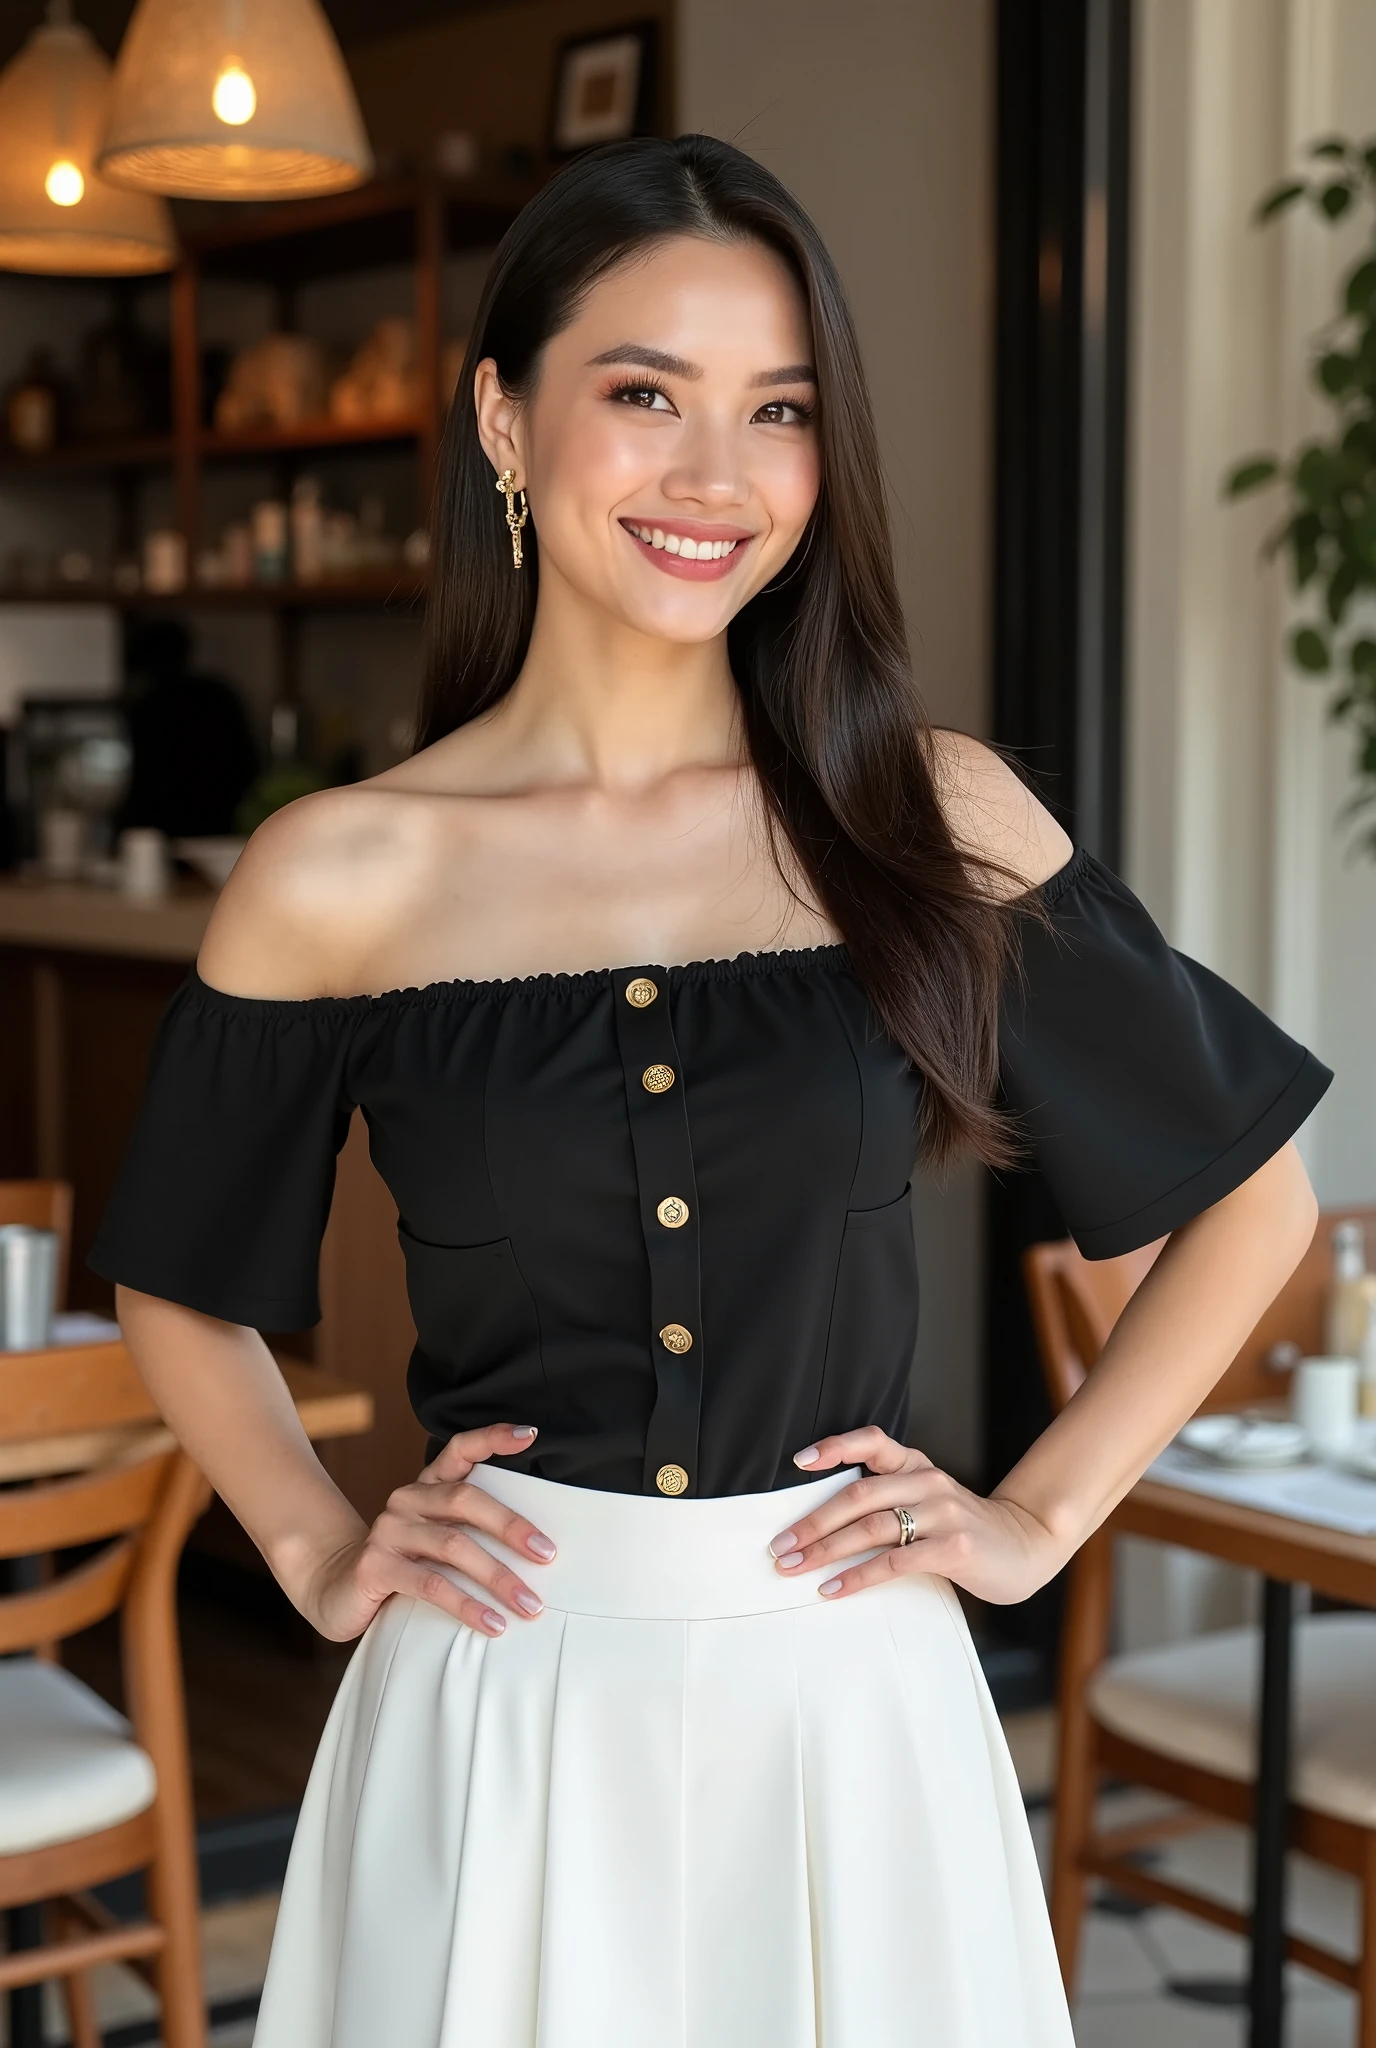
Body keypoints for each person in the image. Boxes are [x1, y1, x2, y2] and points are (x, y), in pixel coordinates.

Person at [90, 135, 1329, 2048]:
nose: (716, 478)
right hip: (496, 1697)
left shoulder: (928, 813)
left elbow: (1251, 1197)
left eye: (780, 411)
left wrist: (1036, 1519)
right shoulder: (341, 870)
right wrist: (316, 1546)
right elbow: (178, 1274)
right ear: (503, 418)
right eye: (643, 393)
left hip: (851, 1702)